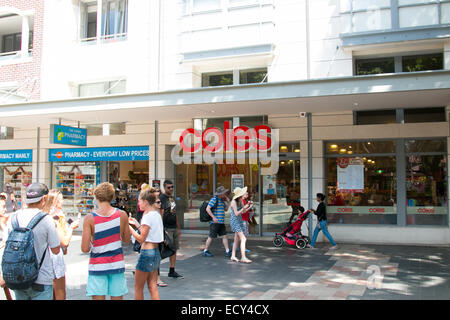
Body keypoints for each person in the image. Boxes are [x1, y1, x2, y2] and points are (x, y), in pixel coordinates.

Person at [5, 183, 61, 300]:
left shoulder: (13, 218)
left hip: (18, 277)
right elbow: (55, 250)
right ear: (44, 199)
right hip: (41, 279)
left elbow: (6, 245)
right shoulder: (46, 219)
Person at [81, 182, 131, 300]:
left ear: (96, 197)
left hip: (98, 265)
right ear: (112, 197)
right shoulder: (122, 215)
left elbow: (85, 248)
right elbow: (127, 240)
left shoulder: (89, 218)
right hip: (117, 264)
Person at [42, 189, 80, 300]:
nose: (62, 203)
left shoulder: (44, 216)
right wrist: (72, 228)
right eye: (60, 201)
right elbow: (64, 242)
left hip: (43, 258)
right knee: (59, 293)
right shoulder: (54, 220)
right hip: (54, 257)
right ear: (54, 203)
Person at [128, 187, 164, 300]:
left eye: (139, 201)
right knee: (153, 286)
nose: (138, 203)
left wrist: (129, 229)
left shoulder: (147, 216)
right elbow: (149, 233)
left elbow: (141, 238)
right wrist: (137, 224)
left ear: (146, 202)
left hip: (146, 253)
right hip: (155, 252)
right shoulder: (156, 214)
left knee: (138, 287)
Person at [159, 180, 183, 279]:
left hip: (173, 227)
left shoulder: (172, 199)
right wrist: (162, 229)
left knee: (174, 249)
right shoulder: (162, 198)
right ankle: (155, 271)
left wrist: (178, 227)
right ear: (164, 188)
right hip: (167, 227)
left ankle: (172, 270)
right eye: (169, 187)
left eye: (172, 187)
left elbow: (174, 213)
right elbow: (161, 214)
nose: (171, 189)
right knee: (165, 250)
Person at [202, 186, 231, 258]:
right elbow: (207, 209)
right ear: (220, 193)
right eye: (224, 193)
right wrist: (213, 217)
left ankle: (227, 251)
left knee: (224, 236)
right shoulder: (214, 199)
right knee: (211, 236)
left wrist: (228, 202)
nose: (225, 194)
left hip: (221, 222)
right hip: (214, 222)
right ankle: (205, 250)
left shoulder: (221, 201)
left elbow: (226, 209)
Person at [229, 187, 253, 263]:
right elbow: (236, 213)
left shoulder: (240, 201)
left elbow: (243, 211)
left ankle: (233, 256)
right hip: (235, 221)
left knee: (236, 240)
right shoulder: (233, 202)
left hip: (239, 220)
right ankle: (243, 257)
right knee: (243, 238)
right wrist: (244, 208)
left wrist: (249, 206)